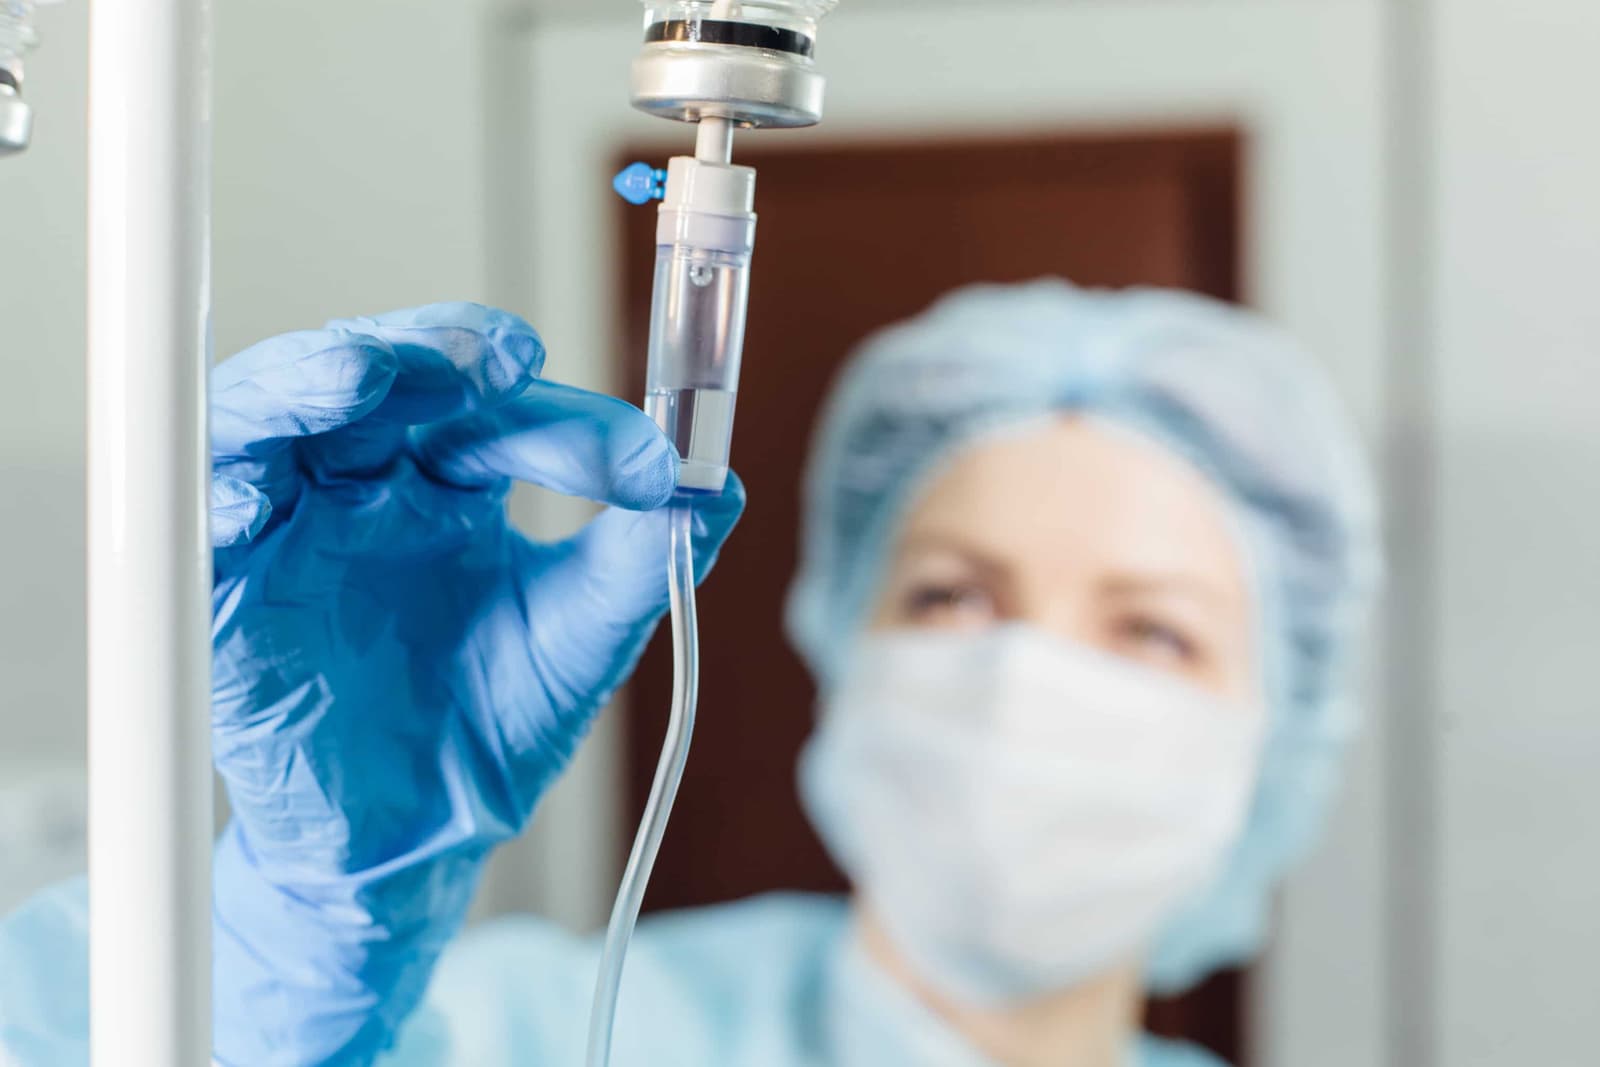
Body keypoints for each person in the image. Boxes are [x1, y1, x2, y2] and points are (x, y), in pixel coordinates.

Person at [0, 281, 1379, 1067]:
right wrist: (287, 946)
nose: (1027, 679)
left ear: (1284, 725)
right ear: (841, 635)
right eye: (952, 594)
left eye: (1152, 632)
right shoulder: (523, 1036)